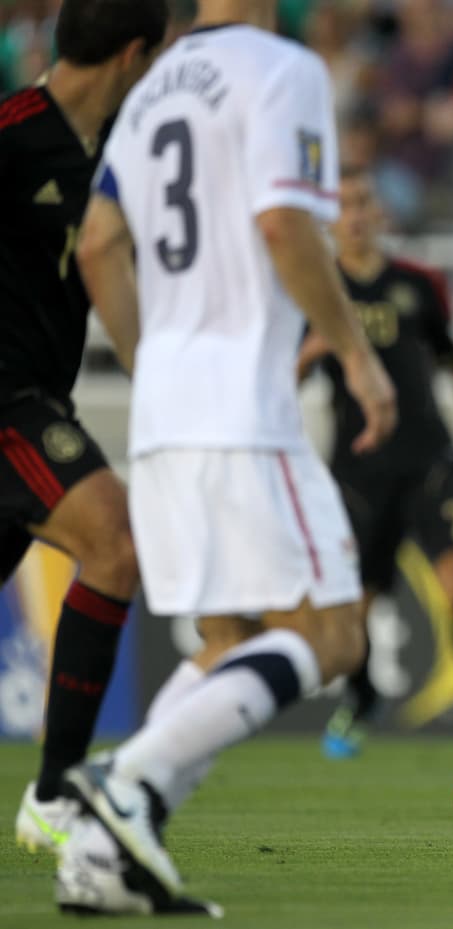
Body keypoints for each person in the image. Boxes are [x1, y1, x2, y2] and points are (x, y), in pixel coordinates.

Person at [56, 0, 396, 915]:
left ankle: (96, 849)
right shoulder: (282, 69)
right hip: (245, 406)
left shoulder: (151, 83)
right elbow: (286, 226)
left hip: (166, 409)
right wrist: (357, 357)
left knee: (230, 640)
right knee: (334, 634)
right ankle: (127, 777)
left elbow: (96, 245)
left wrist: (157, 361)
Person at [5, 0, 168, 858]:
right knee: (113, 540)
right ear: (135, 55)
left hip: (40, 401)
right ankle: (58, 789)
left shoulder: (113, 155)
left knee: (114, 547)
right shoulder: (11, 134)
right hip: (8, 405)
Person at [300, 165, 453, 762]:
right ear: (327, 220)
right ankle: (363, 697)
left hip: (428, 458)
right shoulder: (313, 288)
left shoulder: (419, 282)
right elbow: (282, 376)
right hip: (357, 470)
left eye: (364, 201)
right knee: (355, 608)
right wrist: (312, 349)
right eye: (343, 205)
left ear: (379, 212)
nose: (356, 215)